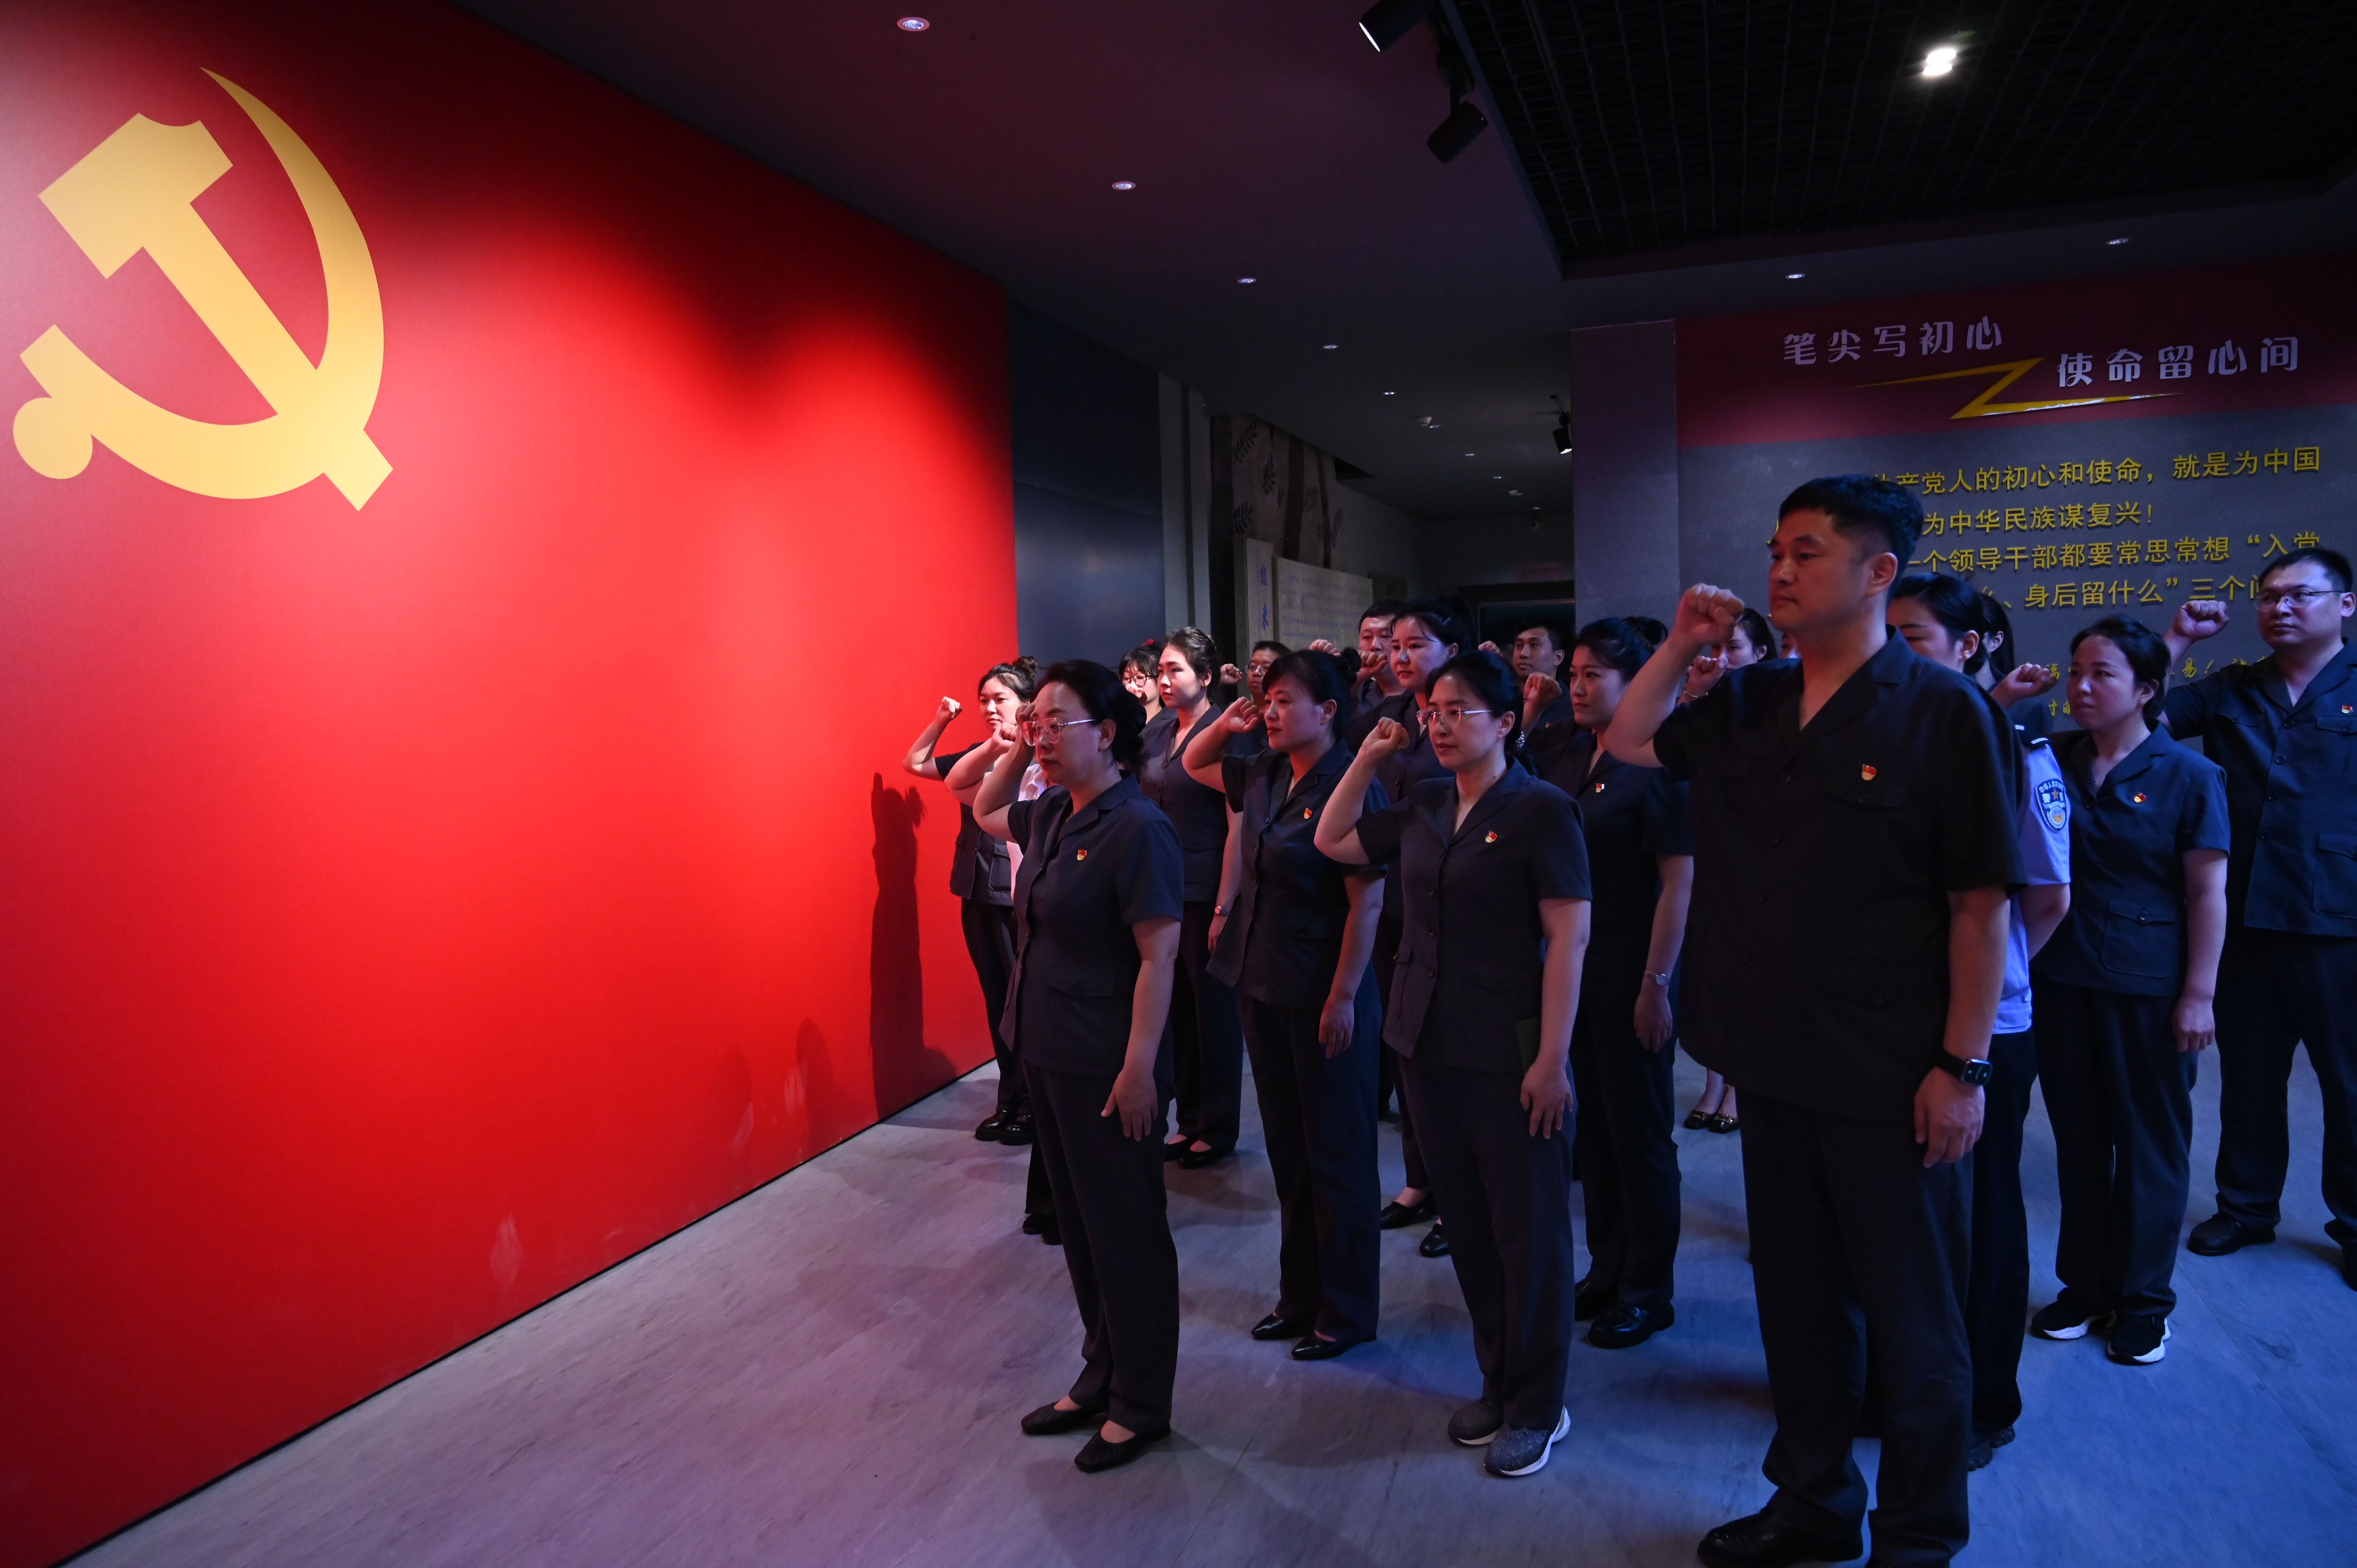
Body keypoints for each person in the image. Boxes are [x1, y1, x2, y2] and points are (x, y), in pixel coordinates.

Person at [1605, 475, 2020, 1568]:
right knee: (1797, 1301)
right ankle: (1814, 1501)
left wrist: (1963, 1067)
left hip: (1894, 1071)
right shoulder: (1752, 699)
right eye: (1776, 551)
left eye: (1808, 552)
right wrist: (1682, 643)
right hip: (1772, 1055)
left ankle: (1919, 1534)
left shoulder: (1944, 711)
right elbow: (1631, 739)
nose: (1780, 571)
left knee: (1915, 1317)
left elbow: (1981, 907)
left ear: (1879, 572)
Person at [1316, 649, 1592, 1478]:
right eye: (1432, 711)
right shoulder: (1425, 800)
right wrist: (1369, 755)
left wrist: (1552, 1057)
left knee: (1528, 1232)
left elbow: (1569, 938)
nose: (1438, 724)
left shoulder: (1541, 809)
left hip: (1509, 1046)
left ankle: (1539, 1403)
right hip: (1425, 1038)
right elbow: (1331, 838)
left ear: (1505, 722)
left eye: (1458, 711)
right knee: (1468, 1225)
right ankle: (1499, 1380)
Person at [974, 661, 1184, 1474]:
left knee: (1126, 1231)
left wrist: (1139, 1069)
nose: (1043, 737)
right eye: (1038, 722)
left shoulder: (1138, 827)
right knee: (1082, 1229)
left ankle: (1142, 1400)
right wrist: (1012, 744)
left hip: (1107, 1059)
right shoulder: (1056, 811)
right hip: (1050, 1048)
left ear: (1109, 732)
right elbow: (986, 809)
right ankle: (1101, 1371)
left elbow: (1159, 957)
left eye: (1057, 723)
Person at [1887, 574, 2069, 1466]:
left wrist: (1986, 979)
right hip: (1893, 1015)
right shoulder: (1889, 741)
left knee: (1984, 1211)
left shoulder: (2019, 750)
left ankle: (1984, 1400)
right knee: (1906, 1213)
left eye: (1913, 638)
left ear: (1970, 647)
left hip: (1989, 1026)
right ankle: (1905, 1385)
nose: (1890, 654)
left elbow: (2046, 897)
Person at [2027, 615, 2229, 1368]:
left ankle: (2144, 1301)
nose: (2079, 686)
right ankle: (2082, 1286)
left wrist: (2198, 993)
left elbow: (2206, 892)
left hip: (2148, 985)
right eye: (2075, 670)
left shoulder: (2189, 775)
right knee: (2080, 1142)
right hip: (2061, 977)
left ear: (2145, 689)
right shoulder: (2053, 758)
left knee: (2149, 1146)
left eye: (2100, 674)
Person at [2159, 546, 2357, 1289]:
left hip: (2339, 920)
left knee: (2349, 1084)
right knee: (2248, 1074)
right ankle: (2245, 1207)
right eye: (2268, 596)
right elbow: (2140, 719)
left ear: (2344, 604)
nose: (2279, 607)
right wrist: (2177, 640)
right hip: (2243, 915)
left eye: (2298, 594)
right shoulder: (2232, 687)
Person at [1182, 650, 1388, 1360]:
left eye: (1283, 701)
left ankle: (1347, 1308)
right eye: (1265, 700)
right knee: (1289, 1150)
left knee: (1338, 1153)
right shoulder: (1266, 772)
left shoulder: (1353, 783)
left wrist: (1344, 995)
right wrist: (1229, 721)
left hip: (1325, 989)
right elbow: (1193, 763)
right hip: (1264, 980)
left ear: (1327, 711)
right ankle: (1299, 1294)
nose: (1269, 712)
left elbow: (1367, 902)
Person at [1526, 618, 1692, 1351]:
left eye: (1595, 675)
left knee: (1639, 1136)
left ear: (1635, 684)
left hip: (1632, 971)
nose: (1579, 686)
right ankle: (1606, 1266)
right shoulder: (1568, 754)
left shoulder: (1657, 765)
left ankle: (1648, 1290)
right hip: (1573, 974)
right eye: (1576, 673)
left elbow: (1678, 884)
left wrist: (1656, 983)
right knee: (1591, 1133)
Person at [1354, 596, 1478, 1259]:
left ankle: (1460, 1195)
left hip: (1452, 901)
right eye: (1394, 645)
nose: (1398, 655)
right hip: (1393, 894)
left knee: (1453, 1053)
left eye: (1414, 644)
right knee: (1404, 1044)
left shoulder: (1467, 717)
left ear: (1451, 651)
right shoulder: (1390, 715)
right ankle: (1419, 1178)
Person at [1138, 627, 1247, 1168]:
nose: (1164, 679)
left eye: (1176, 669)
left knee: (1214, 1013)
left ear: (1205, 677)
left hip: (1205, 886)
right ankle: (1188, 1118)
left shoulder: (1226, 729)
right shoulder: (1157, 728)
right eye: (1161, 670)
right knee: (1175, 1009)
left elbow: (1239, 823)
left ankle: (1218, 1126)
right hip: (1160, 886)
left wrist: (1226, 904)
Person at [1680, 604, 1776, 1135]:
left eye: (1732, 649)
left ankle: (1738, 1086)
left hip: (1757, 866)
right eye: (1714, 648)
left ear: (1760, 653)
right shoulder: (1708, 706)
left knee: (1748, 979)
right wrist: (1695, 694)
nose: (1720, 658)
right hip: (1709, 855)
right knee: (1714, 976)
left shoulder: (1774, 705)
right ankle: (1715, 1082)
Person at [1508, 615, 1575, 734]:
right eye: (1520, 646)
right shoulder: (1505, 701)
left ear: (1558, 657)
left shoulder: (1573, 707)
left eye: (1534, 645)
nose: (1523, 654)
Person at [1354, 600, 1406, 717]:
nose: (1374, 646)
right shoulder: (1359, 691)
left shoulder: (1424, 696)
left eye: (1385, 636)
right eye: (1367, 637)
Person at [1121, 641, 1164, 723]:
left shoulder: (1172, 721)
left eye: (1140, 677)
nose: (1132, 685)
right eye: (1127, 678)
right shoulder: (1118, 719)